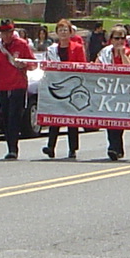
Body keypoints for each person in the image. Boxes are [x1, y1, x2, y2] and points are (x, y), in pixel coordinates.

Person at [0, 19, 38, 160]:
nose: (6, 36)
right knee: (6, 116)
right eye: (3, 33)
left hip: (18, 85)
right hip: (2, 85)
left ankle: (13, 148)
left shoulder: (21, 44)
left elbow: (33, 64)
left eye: (8, 32)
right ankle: (10, 145)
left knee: (14, 116)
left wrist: (23, 64)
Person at [42, 21, 87, 159]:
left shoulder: (78, 47)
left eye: (65, 30)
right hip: (57, 85)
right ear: (57, 33)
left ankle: (72, 149)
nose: (63, 32)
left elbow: (82, 65)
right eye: (60, 30)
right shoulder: (52, 50)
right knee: (55, 117)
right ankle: (51, 146)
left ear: (70, 32)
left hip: (73, 85)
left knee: (71, 118)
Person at [98, 26, 130, 159]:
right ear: (111, 40)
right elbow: (96, 65)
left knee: (119, 120)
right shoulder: (105, 53)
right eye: (117, 38)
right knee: (109, 120)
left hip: (124, 91)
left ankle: (116, 147)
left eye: (123, 38)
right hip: (108, 90)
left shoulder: (129, 52)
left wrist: (122, 54)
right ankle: (113, 147)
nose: (120, 41)